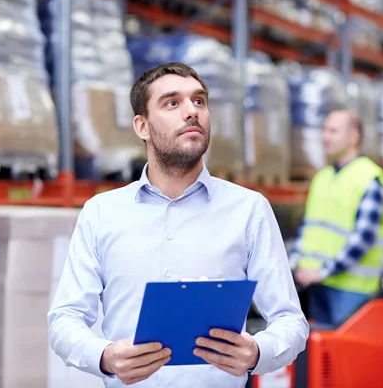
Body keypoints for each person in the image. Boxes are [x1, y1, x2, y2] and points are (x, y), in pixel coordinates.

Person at [48, 62, 309, 387]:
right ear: (142, 126)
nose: (192, 112)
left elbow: (291, 321)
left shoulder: (249, 210)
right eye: (172, 103)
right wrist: (104, 357)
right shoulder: (101, 212)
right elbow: (65, 319)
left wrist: (258, 352)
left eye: (199, 101)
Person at [291, 110, 383, 327]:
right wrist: (295, 265)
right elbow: (309, 229)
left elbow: (363, 240)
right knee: (318, 355)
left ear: (353, 136)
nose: (324, 137)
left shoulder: (370, 179)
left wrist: (323, 271)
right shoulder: (322, 177)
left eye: (333, 131)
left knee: (347, 357)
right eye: (324, 130)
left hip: (352, 291)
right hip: (315, 285)